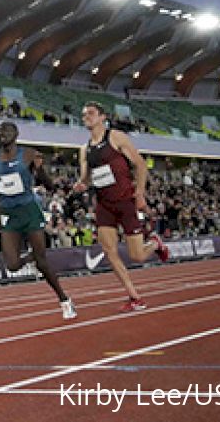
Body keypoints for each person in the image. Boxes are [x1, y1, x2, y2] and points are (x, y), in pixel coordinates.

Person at [73, 102, 170, 312]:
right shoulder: (84, 149)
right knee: (109, 251)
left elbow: (140, 164)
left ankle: (154, 243)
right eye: (83, 115)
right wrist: (82, 184)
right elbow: (86, 178)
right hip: (104, 205)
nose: (86, 117)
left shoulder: (115, 137)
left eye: (90, 113)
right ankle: (134, 296)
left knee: (137, 255)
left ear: (102, 117)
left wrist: (140, 194)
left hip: (125, 201)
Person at [0, 121, 75, 319]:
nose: (2, 133)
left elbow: (49, 185)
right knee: (11, 265)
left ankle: (64, 300)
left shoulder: (28, 154)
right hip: (9, 214)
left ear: (16, 134)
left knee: (43, 263)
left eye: (6, 130)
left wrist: (40, 169)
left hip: (29, 211)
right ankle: (31, 255)